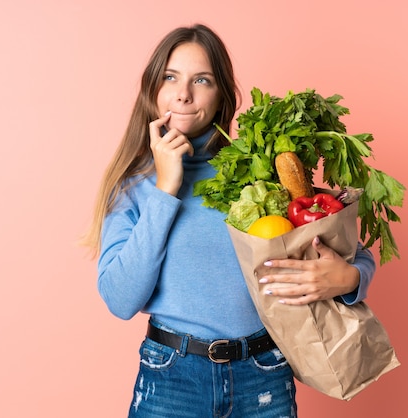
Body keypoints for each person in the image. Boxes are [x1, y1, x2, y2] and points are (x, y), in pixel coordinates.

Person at [83, 23, 376, 417]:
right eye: (171, 77)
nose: (183, 93)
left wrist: (349, 279)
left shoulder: (257, 175)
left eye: (201, 80)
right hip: (171, 381)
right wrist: (166, 188)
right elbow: (120, 299)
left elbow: (352, 253)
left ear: (222, 95)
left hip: (263, 376)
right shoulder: (133, 186)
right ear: (153, 88)